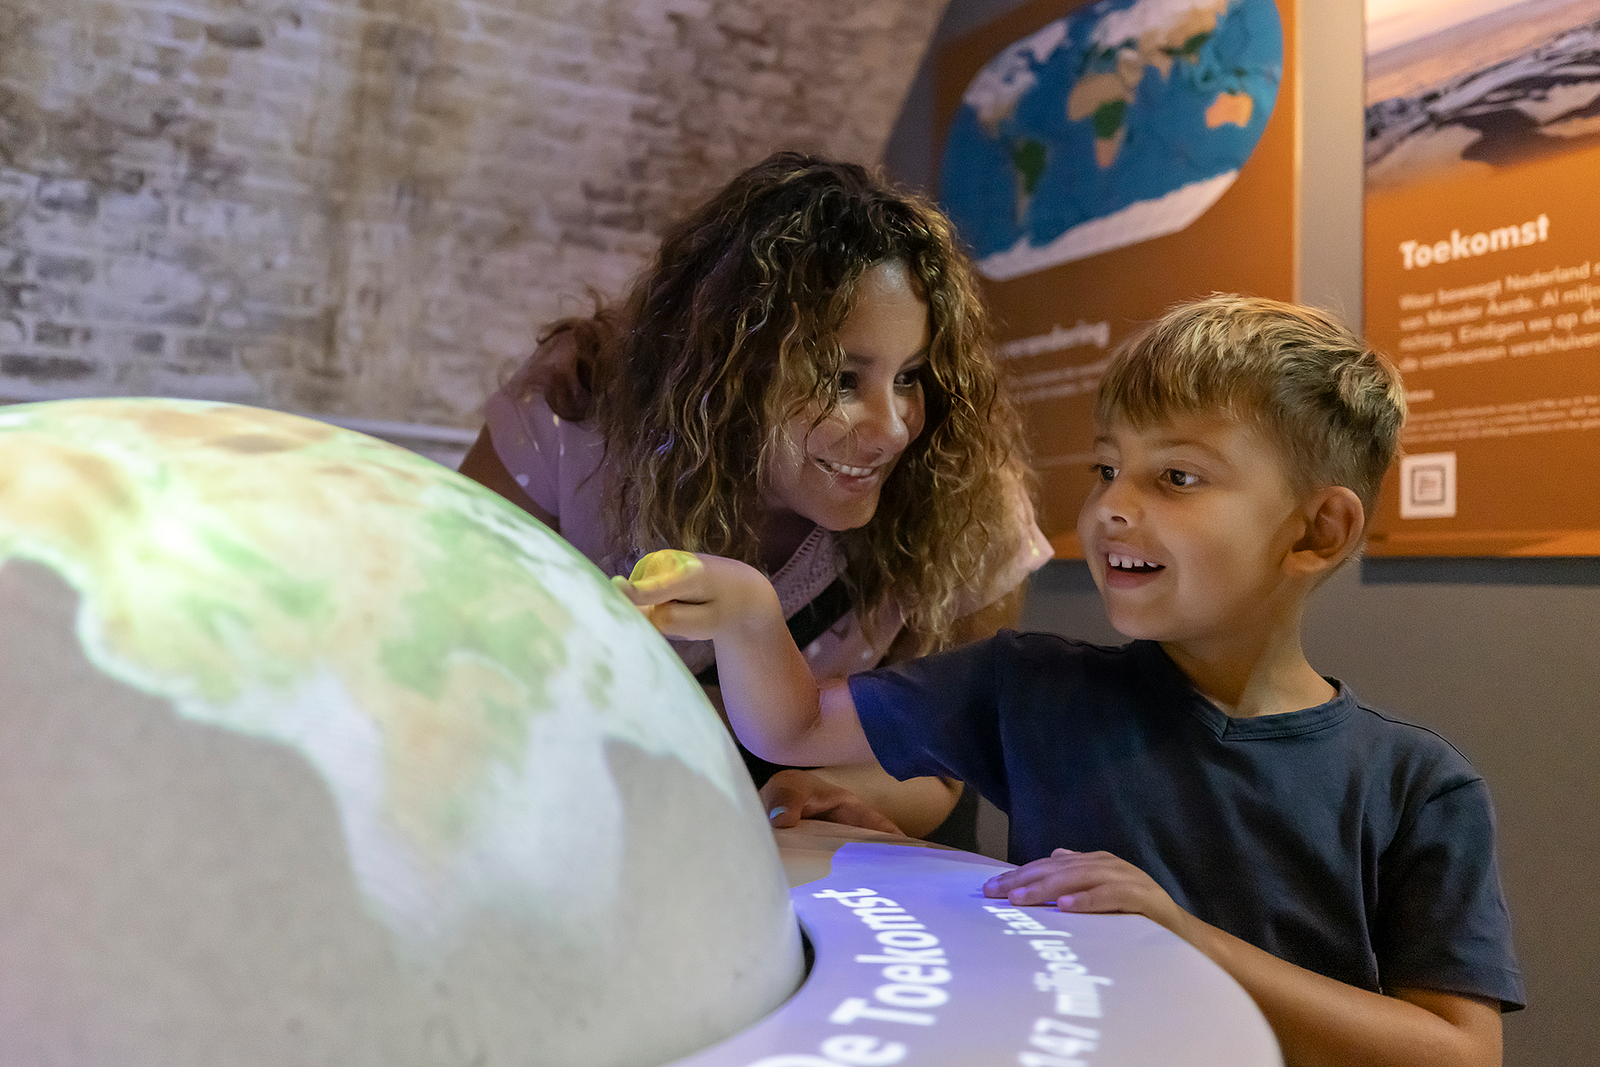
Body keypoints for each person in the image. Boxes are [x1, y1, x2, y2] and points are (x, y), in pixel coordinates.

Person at [619, 294, 1525, 1067]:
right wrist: (750, 613)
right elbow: (793, 727)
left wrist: (1179, 937)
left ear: (1317, 531)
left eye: (1177, 476)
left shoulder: (1418, 787)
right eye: (1106, 468)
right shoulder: (1030, 685)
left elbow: (1459, 1050)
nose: (1112, 507)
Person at [458, 151, 1051, 847]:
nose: (893, 430)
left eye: (910, 376)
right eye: (840, 379)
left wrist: (821, 790)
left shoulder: (963, 493)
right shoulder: (572, 419)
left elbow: (946, 764)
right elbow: (455, 657)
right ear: (728, 369)